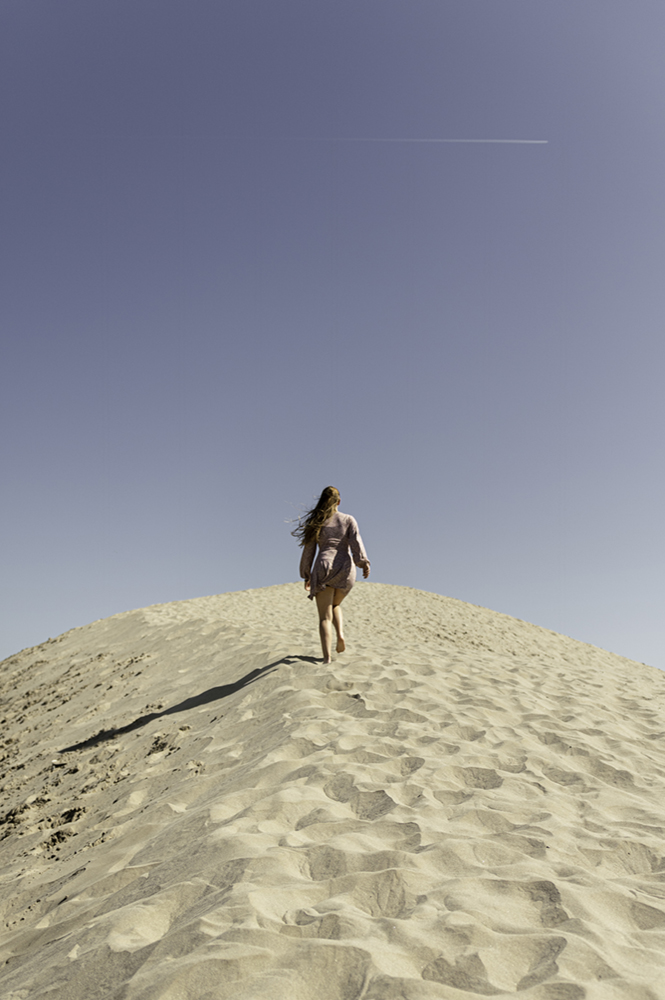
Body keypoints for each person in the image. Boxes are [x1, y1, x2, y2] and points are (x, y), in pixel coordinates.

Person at [292, 486, 370, 663]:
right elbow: (356, 543)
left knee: (324, 618)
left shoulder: (317, 523)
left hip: (323, 565)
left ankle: (327, 658)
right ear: (339, 501)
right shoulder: (348, 519)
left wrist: (306, 574)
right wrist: (363, 563)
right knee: (335, 604)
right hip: (345, 567)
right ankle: (340, 634)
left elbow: (309, 551)